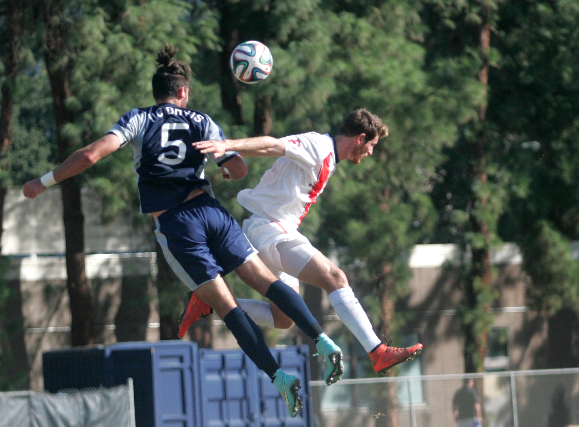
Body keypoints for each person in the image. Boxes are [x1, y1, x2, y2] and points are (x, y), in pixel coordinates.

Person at [22, 44, 344, 418]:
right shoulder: (201, 121)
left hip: (177, 225)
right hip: (212, 212)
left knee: (227, 307)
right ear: (183, 92)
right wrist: (226, 168)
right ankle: (321, 338)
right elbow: (238, 168)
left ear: (157, 91)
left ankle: (278, 378)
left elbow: (91, 154)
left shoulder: (139, 119)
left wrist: (43, 181)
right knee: (265, 281)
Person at [181, 108, 423, 375]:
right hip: (268, 228)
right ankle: (377, 351)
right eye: (372, 145)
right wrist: (228, 146)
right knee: (335, 277)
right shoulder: (318, 145)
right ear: (360, 138)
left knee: (283, 319)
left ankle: (210, 300)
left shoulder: (328, 157)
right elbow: (274, 145)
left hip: (277, 229)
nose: (371, 153)